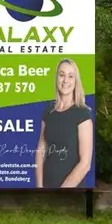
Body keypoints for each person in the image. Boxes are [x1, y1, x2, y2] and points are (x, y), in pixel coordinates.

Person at [35, 59, 93, 189]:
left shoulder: (83, 114)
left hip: (70, 191)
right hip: (46, 186)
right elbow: (41, 149)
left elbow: (85, 164)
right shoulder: (48, 111)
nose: (66, 80)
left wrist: (61, 192)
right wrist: (39, 187)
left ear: (75, 81)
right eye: (62, 75)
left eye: (70, 76)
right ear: (56, 78)